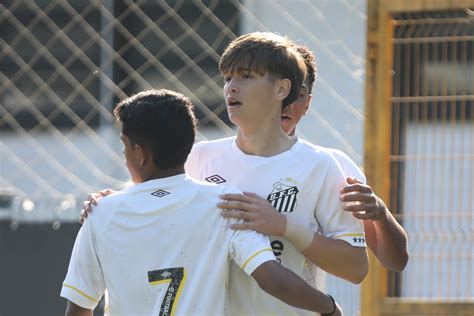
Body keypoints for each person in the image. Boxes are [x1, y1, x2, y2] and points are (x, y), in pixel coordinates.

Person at [61, 89, 342, 316]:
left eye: (124, 147)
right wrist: (328, 307)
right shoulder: (225, 204)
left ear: (140, 153)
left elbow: (79, 307)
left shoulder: (101, 213)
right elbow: (272, 279)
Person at [184, 32, 368, 315]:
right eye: (227, 78)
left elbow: (356, 268)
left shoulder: (320, 166)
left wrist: (284, 226)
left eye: (245, 76)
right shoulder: (199, 157)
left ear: (282, 89)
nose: (231, 87)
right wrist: (110, 201)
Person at [280, 44, 409, 272]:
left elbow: (395, 261)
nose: (287, 104)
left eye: (297, 95)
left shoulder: (332, 166)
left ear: (308, 102)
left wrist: (380, 212)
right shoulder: (206, 156)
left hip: (299, 306)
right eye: (281, 92)